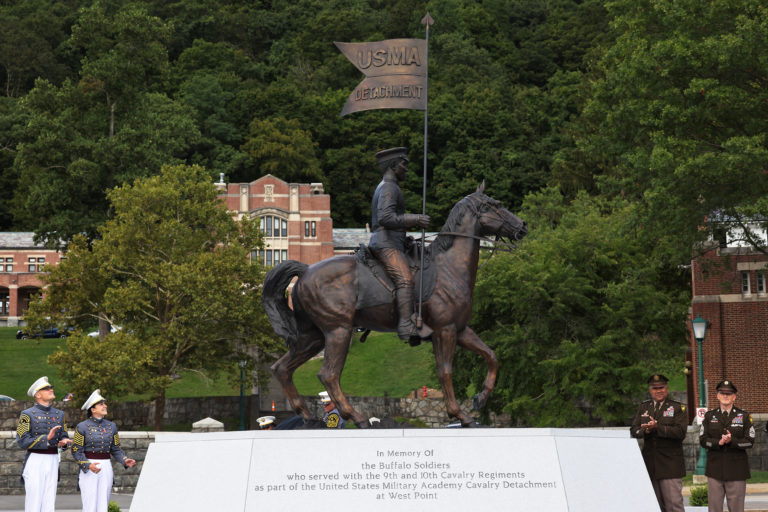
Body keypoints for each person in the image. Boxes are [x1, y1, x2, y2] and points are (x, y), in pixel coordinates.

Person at [369, 147, 432, 345]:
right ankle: (406, 325)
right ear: (393, 166)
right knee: (405, 280)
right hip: (386, 243)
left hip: (393, 241)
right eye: (404, 164)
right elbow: (385, 217)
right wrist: (415, 219)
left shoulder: (388, 186)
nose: (406, 169)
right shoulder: (389, 187)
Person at [71, 390, 136, 512]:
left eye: (104, 403)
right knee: (89, 504)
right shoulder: (82, 426)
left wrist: (125, 460)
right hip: (89, 467)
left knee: (103, 504)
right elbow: (76, 451)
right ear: (93, 409)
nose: (105, 406)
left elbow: (116, 449)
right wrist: (88, 465)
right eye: (101, 404)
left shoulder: (112, 426)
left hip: (106, 466)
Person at [630, 374, 687, 512]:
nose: (658, 391)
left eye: (661, 387)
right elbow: (634, 430)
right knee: (655, 506)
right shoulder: (644, 407)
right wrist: (646, 431)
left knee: (674, 505)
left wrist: (657, 427)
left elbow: (680, 433)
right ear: (650, 390)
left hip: (670, 465)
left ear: (666, 388)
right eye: (655, 388)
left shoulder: (677, 408)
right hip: (650, 464)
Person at [15, 376, 72, 512]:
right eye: (46, 388)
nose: (51, 389)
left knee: (49, 502)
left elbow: (64, 437)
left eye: (51, 387)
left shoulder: (59, 414)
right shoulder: (27, 414)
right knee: (34, 502)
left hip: (53, 460)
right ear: (38, 395)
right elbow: (22, 441)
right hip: (35, 460)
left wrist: (63, 444)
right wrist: (46, 438)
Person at [700, 380, 755, 512]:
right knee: (714, 509)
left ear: (734, 396)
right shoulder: (709, 416)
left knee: (736, 509)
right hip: (715, 470)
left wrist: (732, 441)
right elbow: (703, 440)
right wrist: (717, 442)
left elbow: (750, 441)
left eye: (729, 393)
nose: (725, 396)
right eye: (722, 393)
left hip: (737, 470)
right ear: (717, 395)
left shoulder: (745, 416)